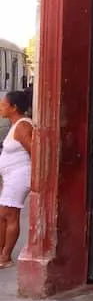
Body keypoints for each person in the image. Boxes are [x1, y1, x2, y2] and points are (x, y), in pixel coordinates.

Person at [0, 90, 33, 268]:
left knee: (10, 215)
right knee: (3, 215)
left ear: (13, 108)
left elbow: (34, 151)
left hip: (20, 177)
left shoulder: (23, 126)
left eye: (3, 105)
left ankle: (5, 257)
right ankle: (2, 254)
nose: (0, 108)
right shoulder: (15, 125)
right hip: (12, 177)